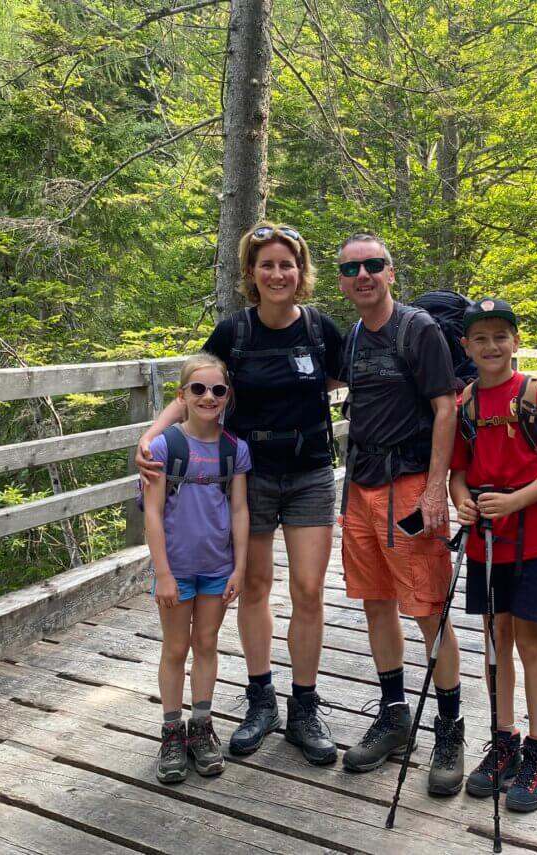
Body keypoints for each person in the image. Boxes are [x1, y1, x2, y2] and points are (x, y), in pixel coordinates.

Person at [138, 222, 344, 766]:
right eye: (267, 265)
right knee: (254, 585)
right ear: (251, 274)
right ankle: (261, 700)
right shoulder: (235, 332)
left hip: (309, 472)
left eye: (287, 264)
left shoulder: (322, 331)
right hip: (247, 477)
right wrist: (153, 434)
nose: (278, 274)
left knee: (308, 588)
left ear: (301, 273)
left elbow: (363, 381)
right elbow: (195, 387)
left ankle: (303, 708)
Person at [334, 232, 465, 795]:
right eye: (351, 268)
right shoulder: (354, 338)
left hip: (409, 487)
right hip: (360, 487)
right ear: (341, 281)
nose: (362, 275)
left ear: (390, 272)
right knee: (375, 602)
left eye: (373, 265)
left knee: (428, 607)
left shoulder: (420, 330)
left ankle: (449, 729)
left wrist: (436, 490)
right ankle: (393, 717)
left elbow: (445, 409)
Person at [449, 297, 537, 812]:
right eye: (480, 338)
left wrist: (515, 500)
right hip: (485, 543)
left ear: (516, 341)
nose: (492, 345)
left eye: (501, 336)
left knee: (530, 640)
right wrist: (462, 501)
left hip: (534, 539)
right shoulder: (466, 404)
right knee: (495, 639)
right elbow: (458, 470)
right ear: (466, 347)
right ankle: (504, 739)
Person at [141, 353, 251, 784]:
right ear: (182, 395)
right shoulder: (167, 446)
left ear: (228, 396)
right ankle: (171, 729)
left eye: (218, 390)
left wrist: (239, 567)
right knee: (175, 648)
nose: (208, 397)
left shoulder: (235, 450)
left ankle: (201, 726)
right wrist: (163, 572)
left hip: (217, 567)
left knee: (206, 643)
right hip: (178, 567)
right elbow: (152, 514)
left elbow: (239, 509)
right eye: (198, 389)